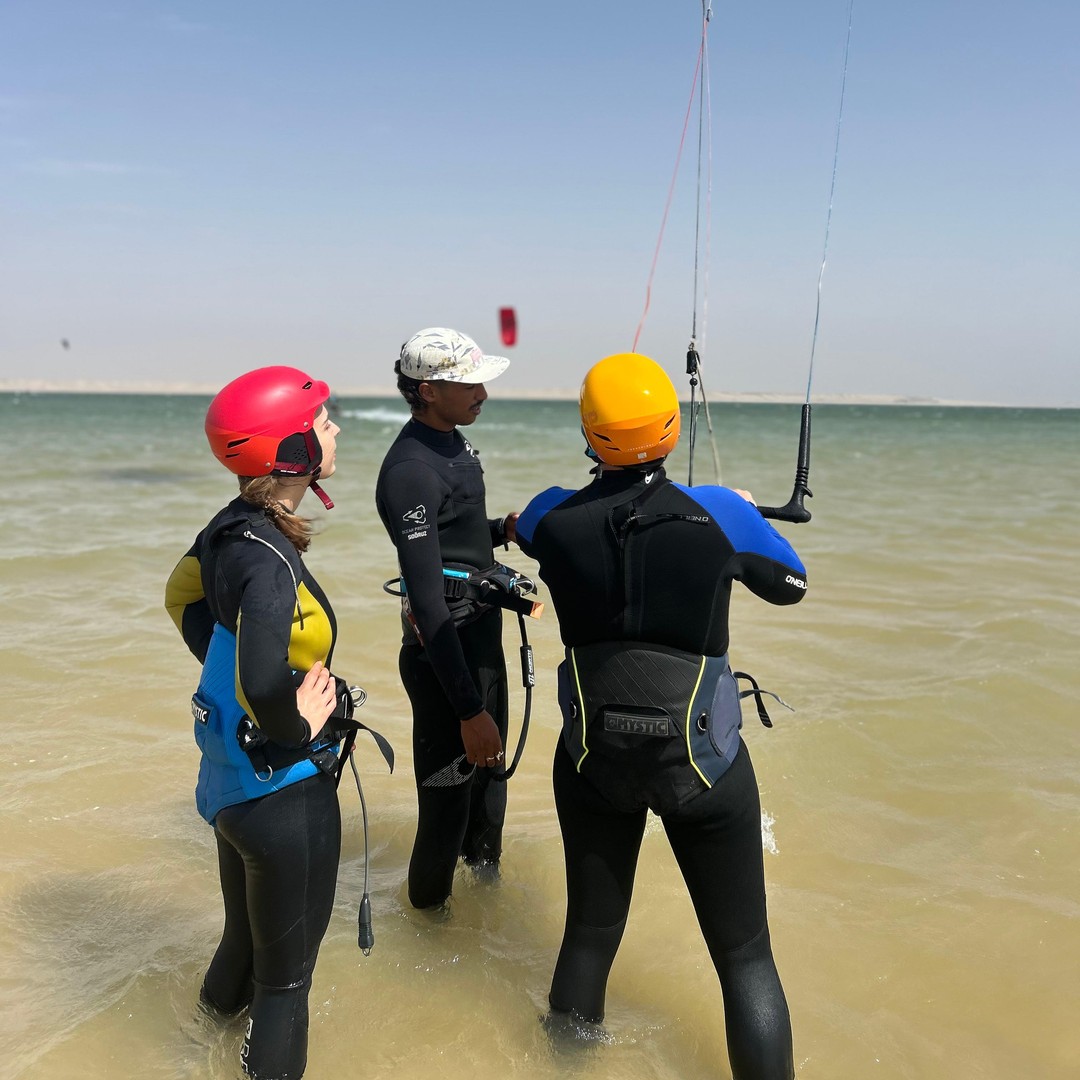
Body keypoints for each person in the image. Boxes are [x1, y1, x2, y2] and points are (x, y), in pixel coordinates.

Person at [515, 353, 807, 1080]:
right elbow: (792, 585)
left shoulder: (552, 515)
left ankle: (565, 1067)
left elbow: (523, 523)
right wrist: (734, 510)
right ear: (672, 427)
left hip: (593, 764)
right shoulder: (722, 514)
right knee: (744, 958)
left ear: (588, 430)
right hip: (701, 767)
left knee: (587, 933)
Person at [165, 366, 354, 1080]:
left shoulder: (228, 530)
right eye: (322, 421)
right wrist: (296, 725)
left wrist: (219, 648)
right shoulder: (270, 560)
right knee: (287, 987)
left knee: (242, 944)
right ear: (293, 452)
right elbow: (260, 678)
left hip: (229, 788)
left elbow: (177, 595)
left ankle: (194, 1053)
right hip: (284, 795)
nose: (333, 428)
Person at [375, 326, 517, 909]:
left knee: (489, 797)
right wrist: (467, 710)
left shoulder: (453, 442)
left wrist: (500, 534)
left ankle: (486, 921)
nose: (482, 392)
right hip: (444, 663)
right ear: (429, 390)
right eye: (468, 383)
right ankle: (427, 940)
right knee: (444, 814)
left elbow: (452, 546)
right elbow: (428, 600)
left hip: (479, 649)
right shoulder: (411, 469)